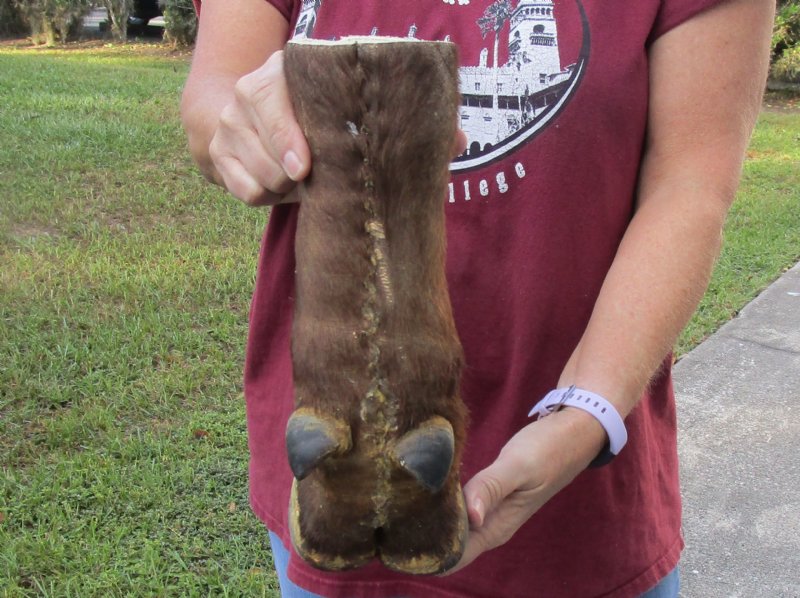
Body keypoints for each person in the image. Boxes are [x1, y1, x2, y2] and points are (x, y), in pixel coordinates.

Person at [180, 0, 774, 596]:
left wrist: (587, 410)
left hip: (574, 483)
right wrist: (247, 130)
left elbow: (689, 183)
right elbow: (213, 104)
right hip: (330, 459)